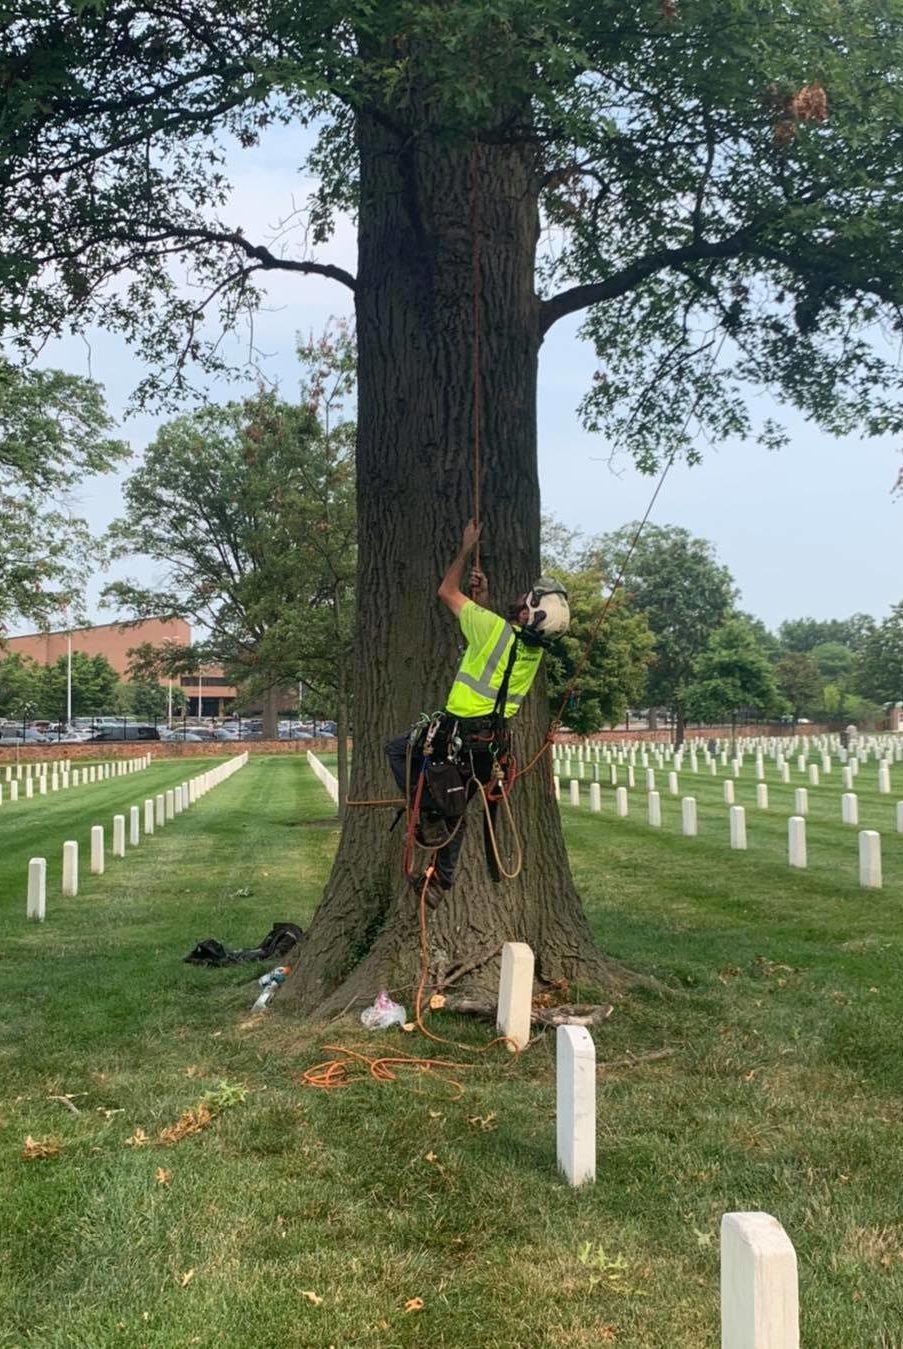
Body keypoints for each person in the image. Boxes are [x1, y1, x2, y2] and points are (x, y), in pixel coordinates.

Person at [386, 519, 569, 904]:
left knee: (398, 751)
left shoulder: (493, 630)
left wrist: (467, 547)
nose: (520, 599)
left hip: (458, 734)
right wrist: (481, 601)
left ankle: (427, 815)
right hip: (488, 747)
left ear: (528, 614)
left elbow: (446, 591)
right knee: (457, 801)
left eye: (525, 599)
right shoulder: (530, 651)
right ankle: (440, 881)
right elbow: (494, 648)